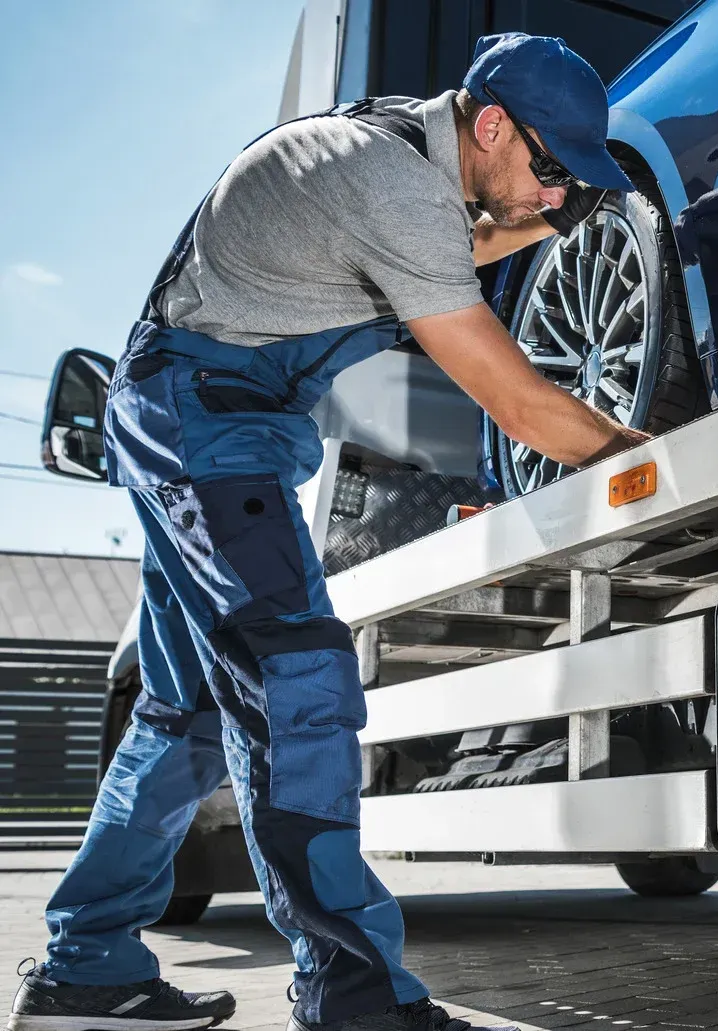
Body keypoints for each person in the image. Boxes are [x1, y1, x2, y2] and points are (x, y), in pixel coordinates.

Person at [8, 32, 644, 1031]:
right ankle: (352, 995)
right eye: (550, 168)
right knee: (299, 678)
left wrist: (545, 216)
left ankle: (87, 967)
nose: (555, 195)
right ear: (488, 126)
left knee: (186, 715)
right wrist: (643, 448)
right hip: (204, 427)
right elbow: (522, 408)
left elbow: (449, 246)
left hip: (190, 413)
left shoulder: (396, 154)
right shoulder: (385, 181)